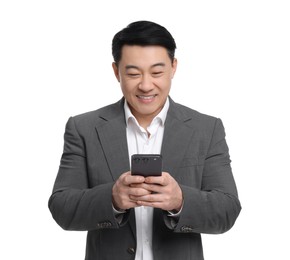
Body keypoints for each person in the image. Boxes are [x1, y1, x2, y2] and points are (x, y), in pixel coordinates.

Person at [48, 20, 241, 260]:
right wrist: (112, 198)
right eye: (133, 73)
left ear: (173, 67)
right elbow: (61, 207)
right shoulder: (83, 128)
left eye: (157, 72)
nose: (146, 85)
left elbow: (227, 210)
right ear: (116, 71)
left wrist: (180, 200)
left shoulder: (206, 128)